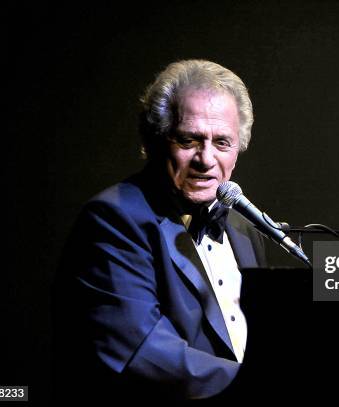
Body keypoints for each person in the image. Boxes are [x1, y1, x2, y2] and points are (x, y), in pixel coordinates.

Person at [53, 59, 267, 403]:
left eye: (222, 143)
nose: (206, 158)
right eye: (188, 140)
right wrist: (263, 384)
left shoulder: (242, 224)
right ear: (155, 140)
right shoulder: (113, 218)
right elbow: (144, 353)